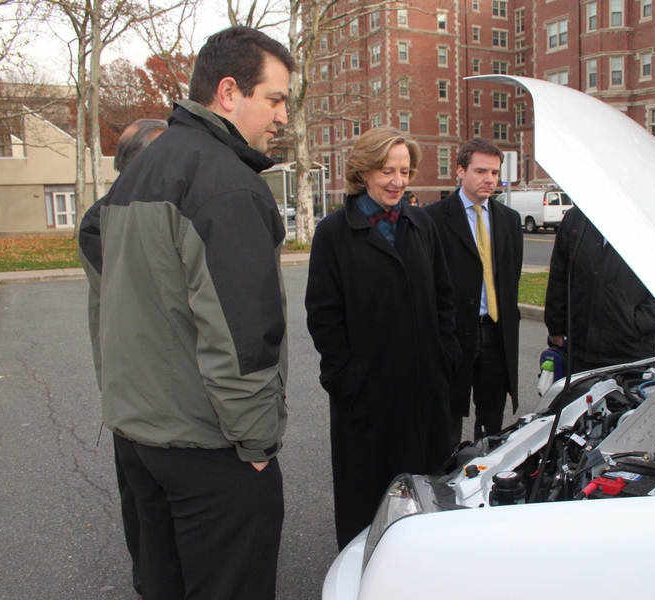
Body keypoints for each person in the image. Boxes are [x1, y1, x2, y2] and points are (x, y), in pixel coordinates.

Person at [96, 26, 294, 599]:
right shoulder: (226, 185)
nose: (282, 116)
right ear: (229, 92)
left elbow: (103, 285)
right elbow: (242, 338)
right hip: (209, 452)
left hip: (139, 441)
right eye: (275, 99)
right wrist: (256, 447)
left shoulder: (141, 170)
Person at [305, 127, 462, 550]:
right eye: (387, 170)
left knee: (423, 501)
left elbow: (444, 296)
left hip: (424, 394)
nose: (397, 181)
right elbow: (323, 316)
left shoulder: (421, 225)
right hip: (367, 398)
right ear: (364, 171)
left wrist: (445, 356)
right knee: (367, 505)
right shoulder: (334, 233)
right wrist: (346, 380)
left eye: (405, 171)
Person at [78, 117, 167, 598]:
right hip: (135, 400)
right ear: (136, 168)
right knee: (146, 519)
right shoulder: (103, 221)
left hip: (154, 399)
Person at [425, 138, 522, 447]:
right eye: (481, 171)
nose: (489, 179)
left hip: (496, 333)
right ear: (460, 171)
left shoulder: (509, 220)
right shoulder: (433, 219)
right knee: (447, 416)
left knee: (491, 420)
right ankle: (445, 481)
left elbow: (510, 278)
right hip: (453, 333)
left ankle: (484, 479)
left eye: (494, 172)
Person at [545, 207, 655, 374]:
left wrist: (637, 324)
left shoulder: (653, 221)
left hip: (630, 356)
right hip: (579, 351)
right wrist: (555, 327)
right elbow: (559, 275)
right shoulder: (576, 217)